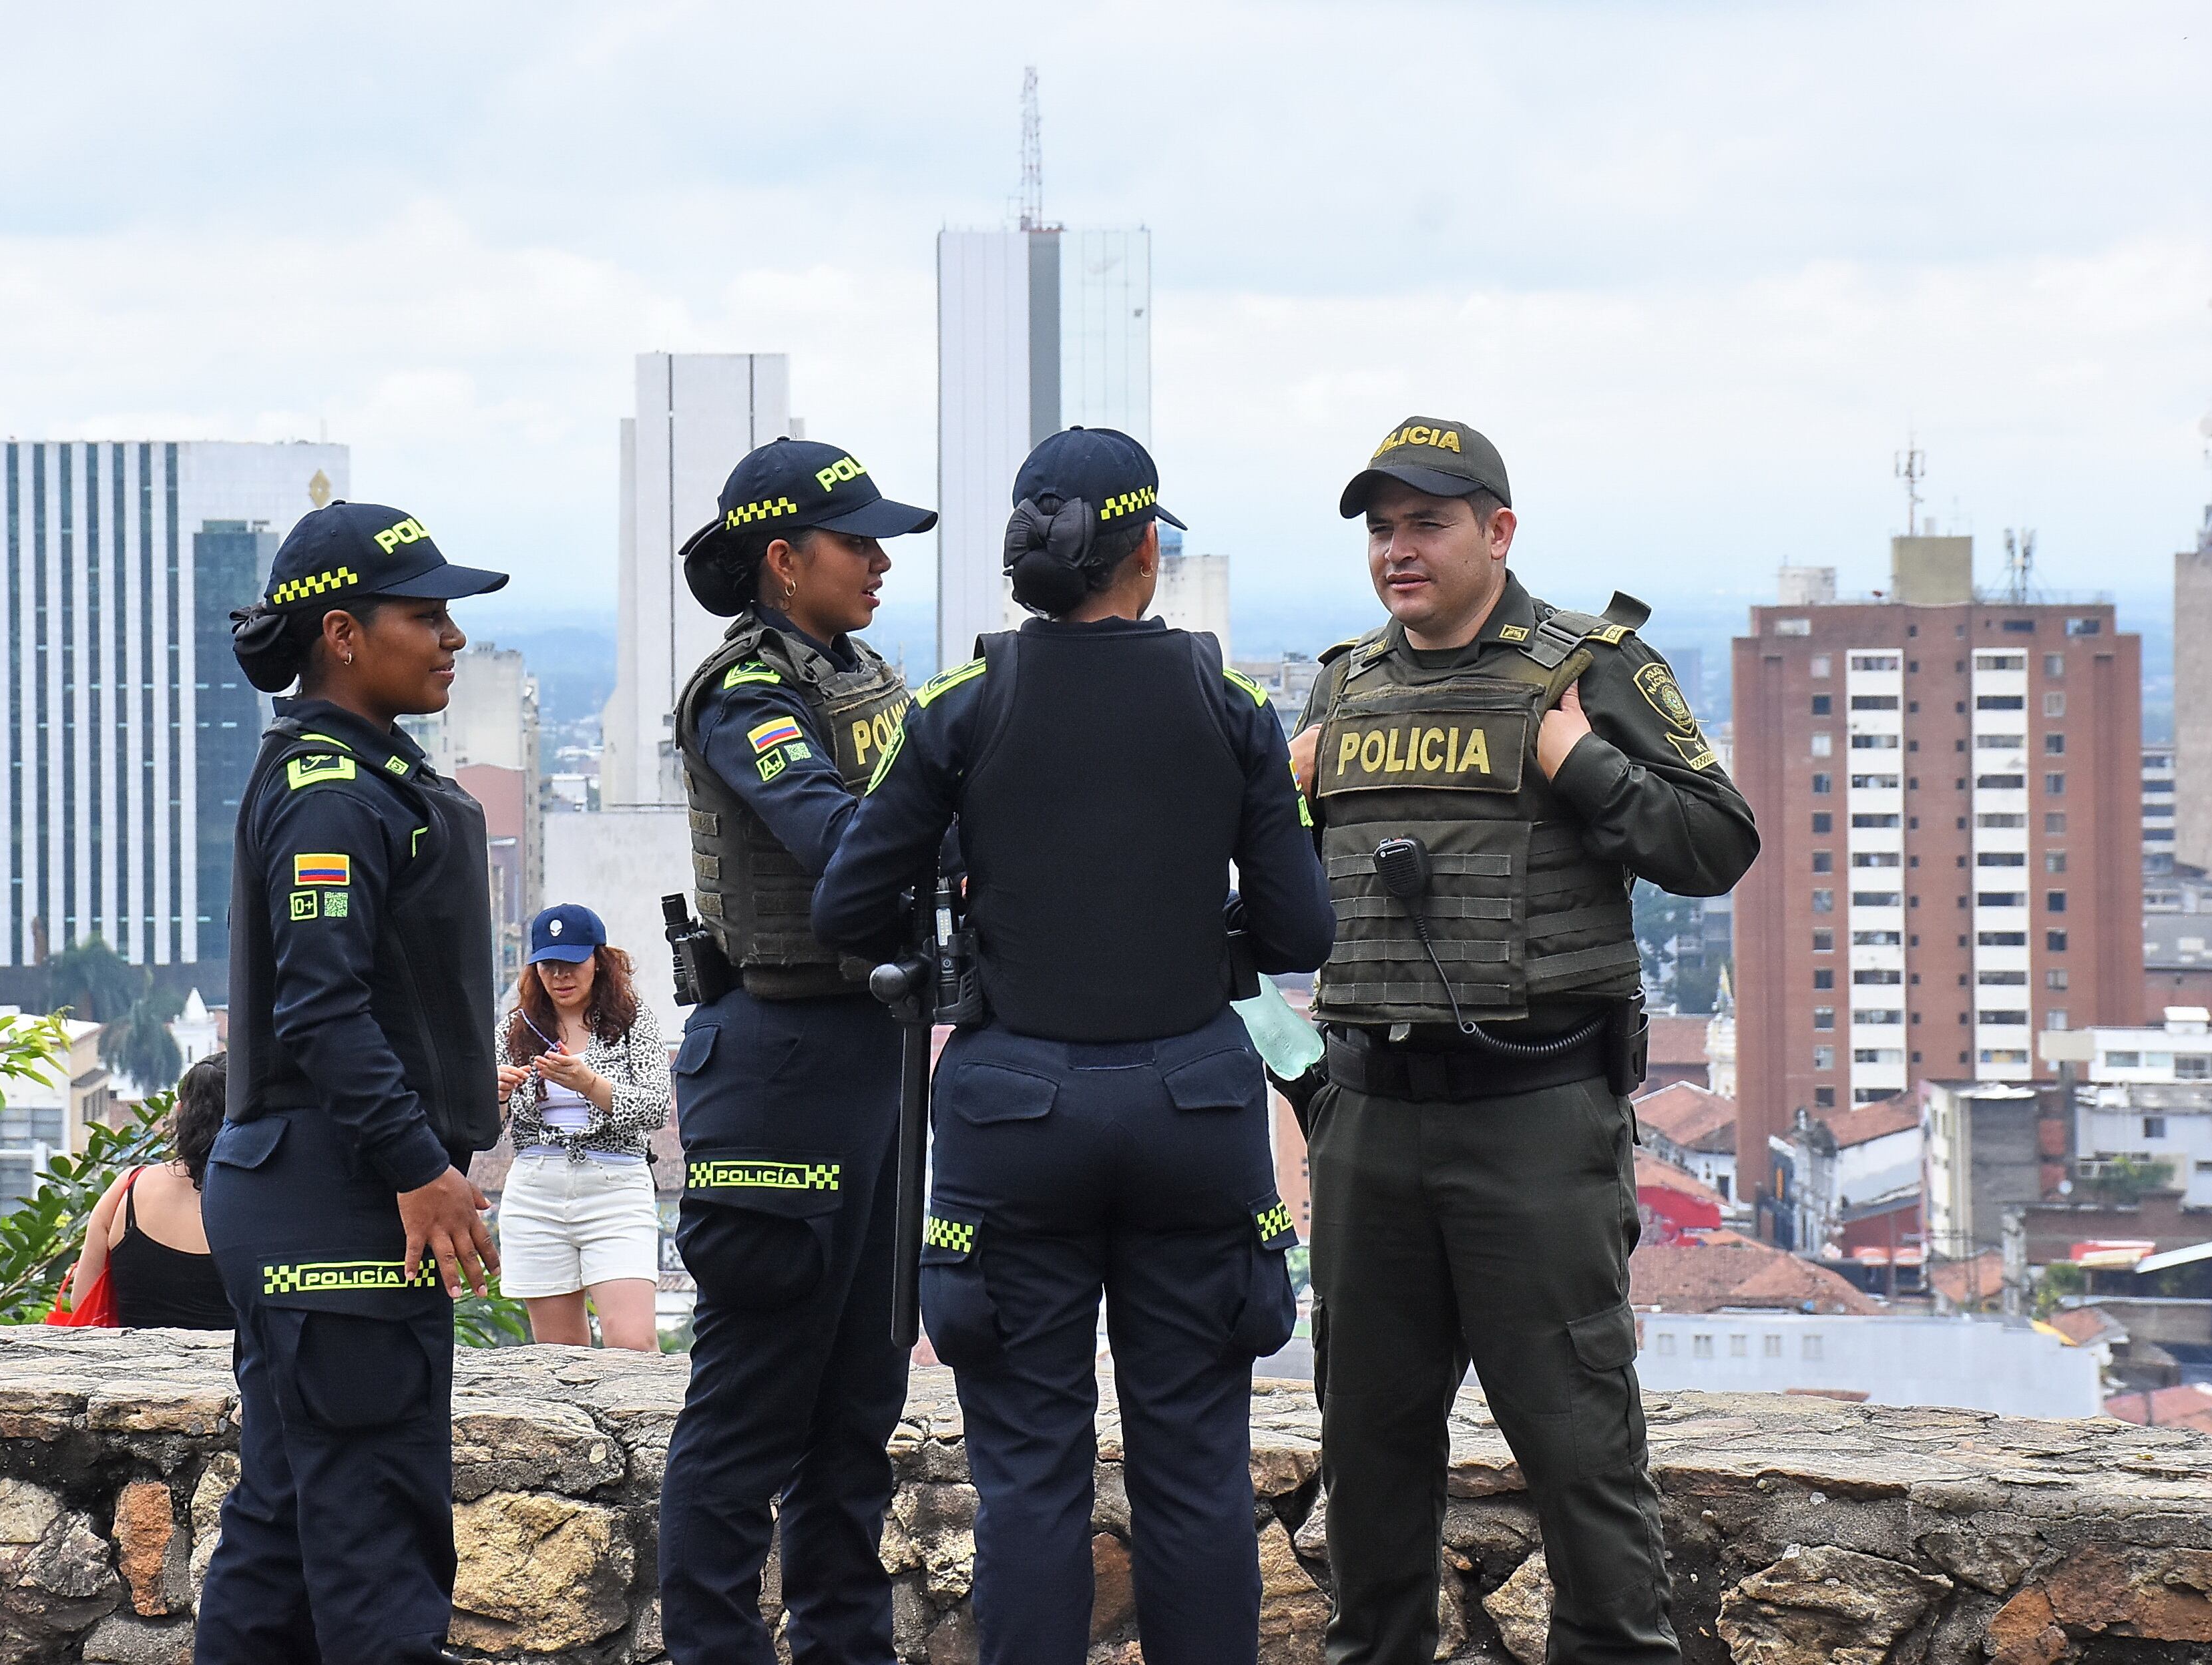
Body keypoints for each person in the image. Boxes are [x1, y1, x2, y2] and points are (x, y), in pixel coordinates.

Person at [813, 426, 1337, 1665]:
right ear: (1147, 549)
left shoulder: (961, 705)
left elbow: (846, 905)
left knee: (1030, 1480)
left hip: (1013, 1117)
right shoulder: (1231, 706)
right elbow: (1298, 925)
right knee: (1197, 1473)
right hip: (1194, 1110)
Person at [1284, 418, 1758, 1665]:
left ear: (1497, 531)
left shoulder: (1585, 668)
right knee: (1367, 1443)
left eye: (1426, 522)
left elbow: (1716, 843)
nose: (1398, 548)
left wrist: (1583, 764)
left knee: (1576, 1440)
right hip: (1368, 1116)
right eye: (1381, 527)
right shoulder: (1342, 684)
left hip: (1535, 1116)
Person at [196, 501, 509, 1665]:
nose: (450, 638)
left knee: (283, 1526)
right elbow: (321, 1008)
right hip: (334, 1183)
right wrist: (419, 1168)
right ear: (341, 631)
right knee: (377, 1535)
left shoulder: (365, 773)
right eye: (423, 615)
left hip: (301, 1181)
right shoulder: (332, 789)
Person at [654, 437, 937, 1665]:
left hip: (871, 1055)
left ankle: (844, 1645)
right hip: (775, 1062)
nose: (880, 562)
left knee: (857, 1403)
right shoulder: (744, 694)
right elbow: (835, 837)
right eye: (855, 540)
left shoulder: (860, 671)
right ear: (783, 559)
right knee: (751, 1401)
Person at [495, 901, 670, 1350]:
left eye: (572, 964)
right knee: (560, 1356)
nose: (561, 977)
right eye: (549, 966)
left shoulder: (632, 1022)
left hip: (614, 1184)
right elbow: (486, 1131)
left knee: (632, 1345)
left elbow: (654, 1108)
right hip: (537, 1188)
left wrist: (590, 1084)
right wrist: (494, 1096)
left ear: (599, 960)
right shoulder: (515, 1029)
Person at [65, 1052, 232, 1331]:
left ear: (180, 1113)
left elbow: (81, 1301)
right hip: (232, 1369)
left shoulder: (127, 1188)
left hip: (132, 1366)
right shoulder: (264, 1201)